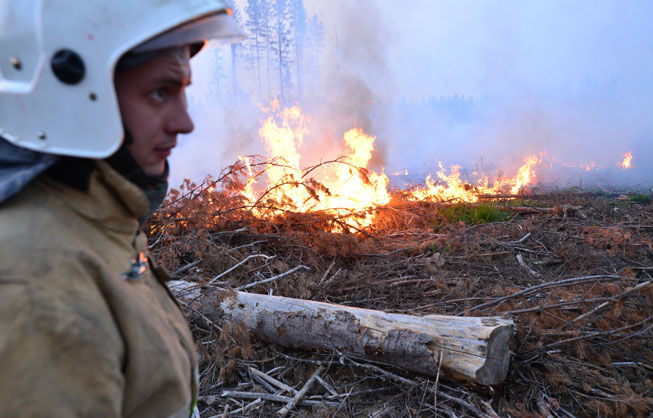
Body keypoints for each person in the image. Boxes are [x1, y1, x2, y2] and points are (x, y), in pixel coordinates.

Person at [0, 1, 242, 416]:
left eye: (182, 90)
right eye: (160, 92)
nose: (185, 123)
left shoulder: (98, 222)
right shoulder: (39, 283)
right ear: (73, 97)